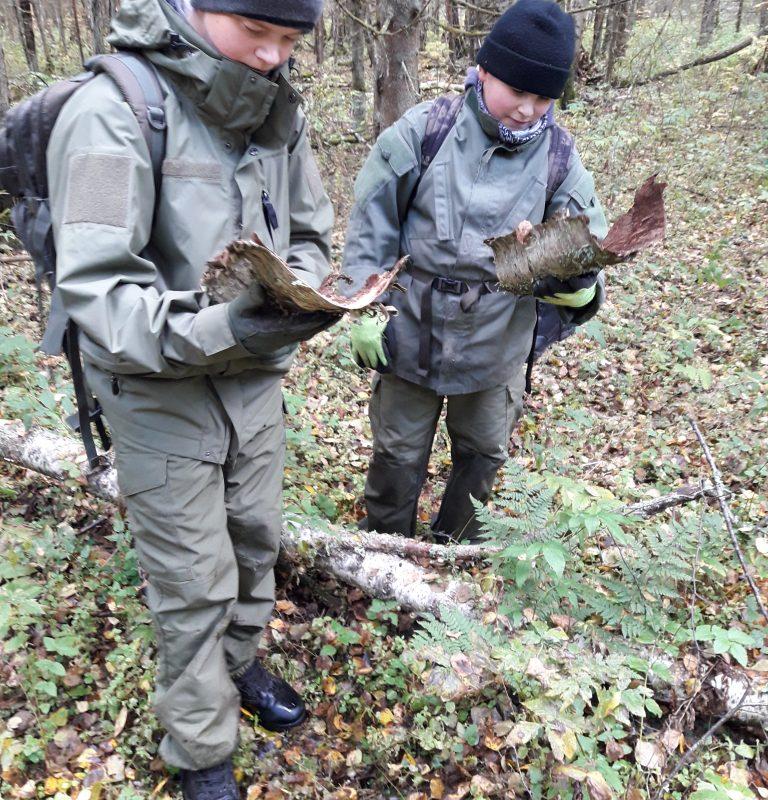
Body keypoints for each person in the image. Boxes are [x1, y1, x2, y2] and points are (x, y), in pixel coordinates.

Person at [47, 0, 334, 796]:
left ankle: (238, 668)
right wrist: (229, 323)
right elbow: (98, 297)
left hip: (253, 382)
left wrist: (298, 291)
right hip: (157, 396)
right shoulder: (110, 112)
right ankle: (201, 753)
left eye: (289, 39)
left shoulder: (278, 110)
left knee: (253, 544)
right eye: (257, 32)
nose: (274, 55)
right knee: (192, 583)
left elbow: (308, 229)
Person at [342, 0, 608, 543]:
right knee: (396, 454)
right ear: (484, 70)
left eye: (543, 97)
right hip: (410, 328)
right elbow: (371, 222)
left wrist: (580, 288)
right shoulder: (423, 132)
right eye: (517, 90)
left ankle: (453, 556)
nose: (528, 109)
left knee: (484, 455)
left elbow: (589, 245)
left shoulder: (560, 158)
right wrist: (364, 305)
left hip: (496, 339)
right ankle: (384, 553)